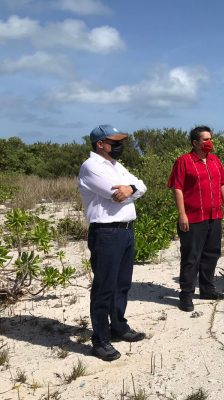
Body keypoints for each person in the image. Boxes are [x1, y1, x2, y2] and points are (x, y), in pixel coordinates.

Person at [78, 124, 147, 362]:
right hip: (106, 232)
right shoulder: (91, 166)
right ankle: (100, 339)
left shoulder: (115, 166)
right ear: (100, 143)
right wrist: (130, 189)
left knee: (122, 284)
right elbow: (114, 194)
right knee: (104, 287)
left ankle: (118, 325)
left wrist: (132, 188)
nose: (119, 146)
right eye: (114, 141)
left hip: (126, 231)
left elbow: (141, 186)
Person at [167, 125, 224, 312]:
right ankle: (186, 295)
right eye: (205, 139)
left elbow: (223, 183)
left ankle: (207, 289)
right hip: (193, 217)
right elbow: (177, 187)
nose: (209, 142)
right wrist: (182, 214)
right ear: (194, 142)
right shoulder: (183, 161)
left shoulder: (214, 160)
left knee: (211, 253)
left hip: (214, 215)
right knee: (191, 257)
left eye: (210, 138)